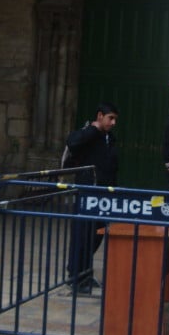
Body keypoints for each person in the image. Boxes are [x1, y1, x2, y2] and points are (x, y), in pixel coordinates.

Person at [64, 102, 119, 294]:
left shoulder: (109, 138)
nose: (113, 123)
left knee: (97, 233)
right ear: (100, 116)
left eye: (115, 119)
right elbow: (72, 142)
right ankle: (76, 275)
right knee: (82, 233)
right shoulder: (89, 133)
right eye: (110, 118)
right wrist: (93, 129)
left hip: (103, 192)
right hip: (87, 191)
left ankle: (85, 272)